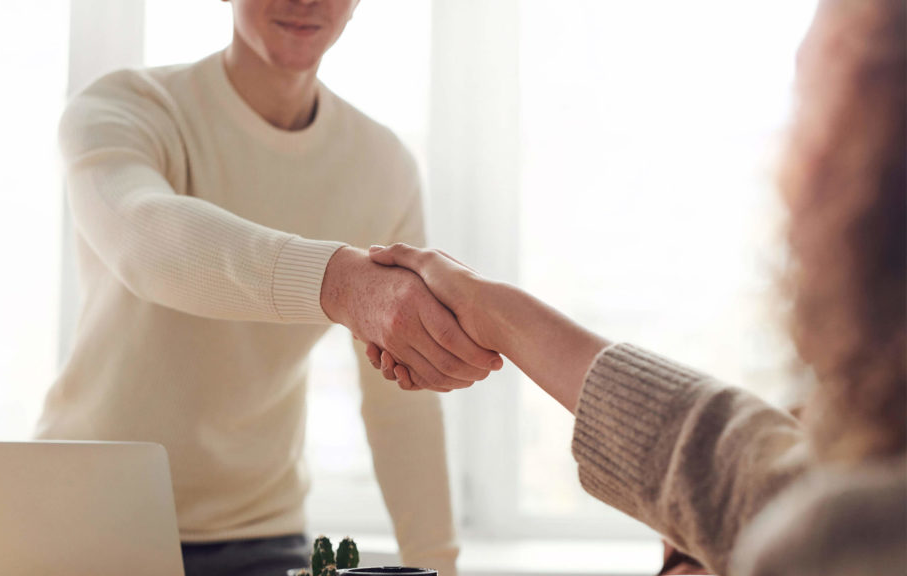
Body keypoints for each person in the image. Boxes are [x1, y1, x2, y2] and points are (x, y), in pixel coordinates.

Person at [364, 0, 906, 574]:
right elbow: (751, 476)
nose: (784, 171)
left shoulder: (840, 541)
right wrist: (493, 311)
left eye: (806, 117)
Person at [36, 1, 501, 574]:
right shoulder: (125, 107)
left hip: (261, 537)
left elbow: (400, 405)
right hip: (82, 521)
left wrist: (437, 563)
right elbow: (144, 239)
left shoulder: (382, 165)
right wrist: (337, 284)